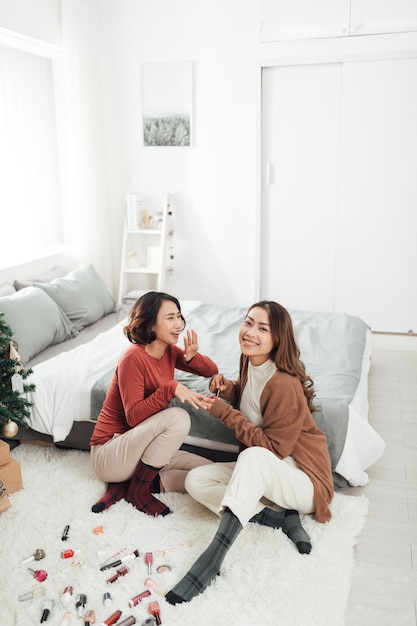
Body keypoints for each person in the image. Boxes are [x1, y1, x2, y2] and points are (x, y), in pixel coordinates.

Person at [165, 300, 334, 605]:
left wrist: (224, 414)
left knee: (252, 456)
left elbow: (272, 448)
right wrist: (228, 389)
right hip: (272, 473)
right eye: (248, 322)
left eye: (262, 328)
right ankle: (281, 519)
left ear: (277, 339)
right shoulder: (251, 360)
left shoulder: (284, 383)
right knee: (196, 481)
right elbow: (251, 398)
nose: (250, 332)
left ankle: (213, 559)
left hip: (303, 479)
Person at [90, 291, 217, 517]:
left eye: (179, 316)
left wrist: (190, 357)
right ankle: (138, 492)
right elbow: (133, 417)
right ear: (150, 324)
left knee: (207, 470)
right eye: (170, 318)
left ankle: (134, 484)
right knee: (178, 417)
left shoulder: (167, 350)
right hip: (110, 452)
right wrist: (171, 389)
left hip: (139, 447)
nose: (178, 324)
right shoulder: (133, 358)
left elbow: (210, 371)